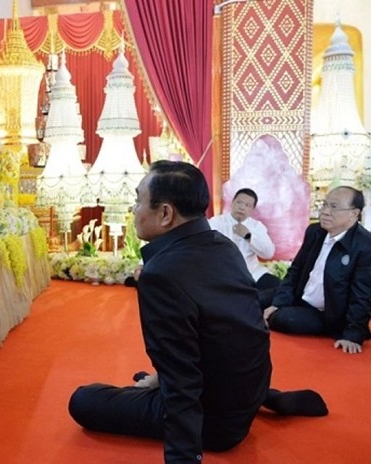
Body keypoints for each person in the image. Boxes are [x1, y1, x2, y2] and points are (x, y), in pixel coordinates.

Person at [68, 161, 327, 463]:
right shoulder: (224, 246)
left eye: (138, 201)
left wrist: (185, 456)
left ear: (165, 214)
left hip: (213, 421)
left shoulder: (161, 274)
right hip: (248, 392)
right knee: (152, 378)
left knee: (84, 399)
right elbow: (234, 333)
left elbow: (182, 381)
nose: (134, 209)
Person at [264, 186, 371, 354]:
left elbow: (362, 295)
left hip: (327, 313)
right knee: (254, 299)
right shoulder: (315, 232)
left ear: (354, 213)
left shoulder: (365, 246)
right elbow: (295, 270)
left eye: (334, 207)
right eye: (325, 204)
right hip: (301, 296)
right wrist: (279, 302)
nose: (325, 212)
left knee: (283, 319)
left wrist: (353, 335)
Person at [208, 188, 280, 303]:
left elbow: (268, 253)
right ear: (232, 203)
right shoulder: (216, 223)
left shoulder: (256, 226)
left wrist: (248, 236)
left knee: (280, 289)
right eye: (239, 202)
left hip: (252, 273)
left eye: (247, 205)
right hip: (224, 276)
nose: (242, 207)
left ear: (252, 210)